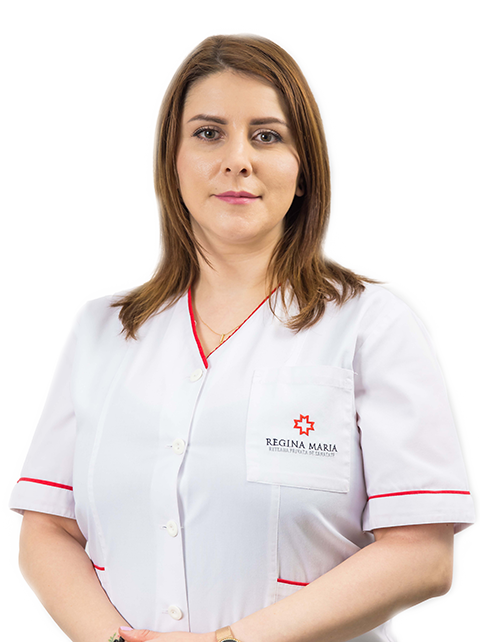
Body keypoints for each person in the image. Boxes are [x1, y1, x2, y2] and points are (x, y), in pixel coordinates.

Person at [9, 32, 475, 642]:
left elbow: (423, 554)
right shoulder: (102, 331)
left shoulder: (373, 327)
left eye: (267, 135)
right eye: (208, 133)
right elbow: (47, 530)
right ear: (172, 161)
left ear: (303, 169)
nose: (237, 160)